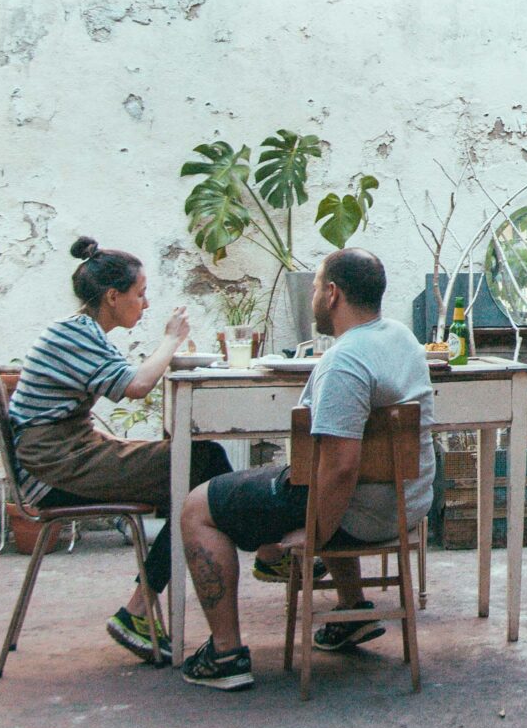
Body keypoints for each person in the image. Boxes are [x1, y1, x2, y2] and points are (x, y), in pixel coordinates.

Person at [175, 247, 435, 692]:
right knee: (319, 471)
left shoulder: (345, 361)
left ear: (332, 294)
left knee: (197, 507)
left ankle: (225, 654)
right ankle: (351, 613)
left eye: (315, 288)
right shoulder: (401, 337)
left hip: (358, 511)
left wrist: (313, 537)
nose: (314, 297)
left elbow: (340, 470)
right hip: (404, 505)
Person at [9, 237, 232, 664]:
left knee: (195, 471)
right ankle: (139, 610)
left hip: (66, 452)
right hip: (53, 468)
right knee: (201, 464)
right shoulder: (76, 334)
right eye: (140, 293)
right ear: (113, 296)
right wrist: (171, 339)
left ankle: (143, 607)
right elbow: (137, 385)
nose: (145, 304)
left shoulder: (80, 330)